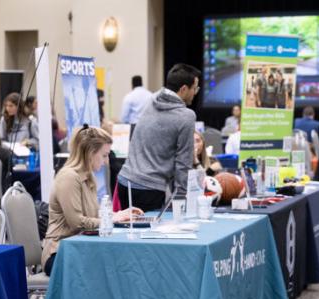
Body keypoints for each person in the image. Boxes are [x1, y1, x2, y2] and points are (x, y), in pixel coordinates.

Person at [41, 125, 141, 275]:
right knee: (113, 267)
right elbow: (77, 222)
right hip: (59, 253)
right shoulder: (69, 177)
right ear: (90, 153)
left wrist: (118, 215)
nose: (107, 161)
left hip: (78, 248)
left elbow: (92, 216)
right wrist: (112, 219)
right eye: (104, 155)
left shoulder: (87, 177)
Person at [117, 63, 200, 212]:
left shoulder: (152, 99)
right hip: (148, 189)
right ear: (183, 89)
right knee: (151, 234)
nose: (195, 92)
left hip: (124, 181)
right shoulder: (186, 116)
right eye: (195, 88)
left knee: (129, 233)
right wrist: (180, 200)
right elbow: (183, 162)